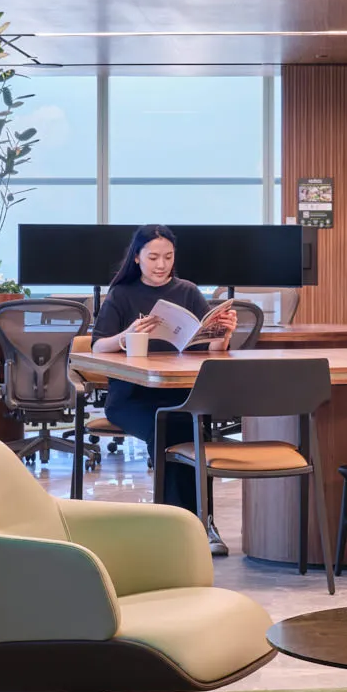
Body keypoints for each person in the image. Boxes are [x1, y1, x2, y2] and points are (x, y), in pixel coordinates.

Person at [88, 224, 238, 524]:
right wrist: (126, 335)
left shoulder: (188, 291)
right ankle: (183, 524)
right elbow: (97, 346)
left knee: (194, 430)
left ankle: (199, 523)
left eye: (168, 257)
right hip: (131, 397)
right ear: (137, 258)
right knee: (169, 427)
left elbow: (211, 349)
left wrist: (223, 335)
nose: (161, 265)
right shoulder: (121, 294)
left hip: (179, 392)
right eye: (153, 257)